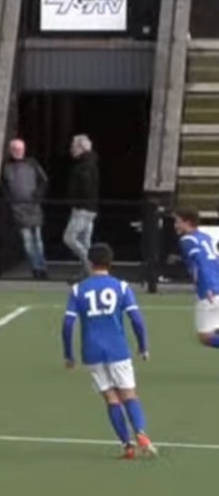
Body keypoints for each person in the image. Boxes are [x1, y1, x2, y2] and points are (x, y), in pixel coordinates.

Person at [62, 244, 157, 460]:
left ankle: (127, 446)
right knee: (129, 394)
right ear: (110, 262)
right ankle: (141, 433)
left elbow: (68, 324)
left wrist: (69, 355)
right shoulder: (121, 287)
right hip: (118, 349)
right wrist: (143, 346)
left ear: (90, 263)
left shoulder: (78, 290)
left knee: (111, 398)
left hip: (92, 352)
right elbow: (136, 319)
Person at [1, 138, 50, 279]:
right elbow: (3, 186)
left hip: (33, 206)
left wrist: (38, 196)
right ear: (10, 150)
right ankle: (36, 267)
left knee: (38, 240)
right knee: (27, 242)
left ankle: (42, 267)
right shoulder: (6, 166)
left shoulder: (32, 163)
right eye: (15, 149)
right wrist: (10, 199)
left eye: (20, 149)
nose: (18, 152)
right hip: (18, 207)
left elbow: (43, 181)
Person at [172, 208, 219, 348]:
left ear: (188, 222)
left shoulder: (187, 240)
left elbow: (200, 263)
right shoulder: (206, 237)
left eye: (178, 222)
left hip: (210, 292)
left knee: (205, 337)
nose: (175, 225)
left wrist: (207, 286)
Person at [61, 134, 100, 269]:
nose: (71, 150)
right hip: (90, 208)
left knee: (69, 238)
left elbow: (85, 187)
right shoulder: (91, 163)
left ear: (81, 148)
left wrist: (75, 201)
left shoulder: (83, 166)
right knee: (85, 241)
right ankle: (88, 272)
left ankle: (91, 264)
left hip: (82, 208)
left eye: (73, 147)